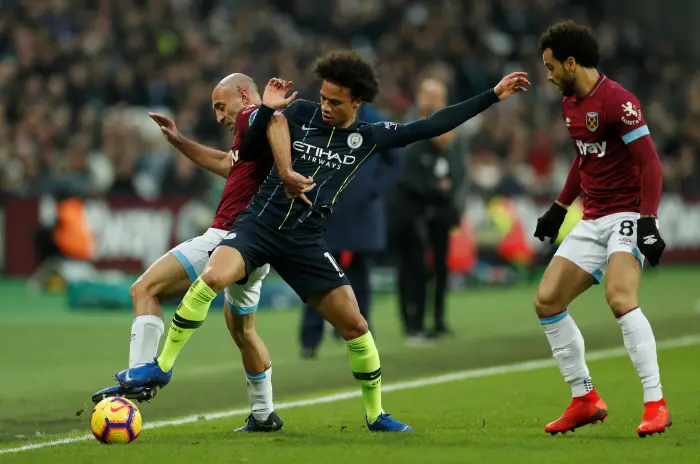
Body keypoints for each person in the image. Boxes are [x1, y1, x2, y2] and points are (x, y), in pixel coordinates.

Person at [115, 51, 529, 433]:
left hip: (304, 240)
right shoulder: (298, 113)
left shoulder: (370, 136)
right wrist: (286, 169)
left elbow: (432, 125)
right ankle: (163, 366)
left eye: (335, 101)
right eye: (324, 97)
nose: (325, 106)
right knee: (213, 276)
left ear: (357, 102)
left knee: (356, 325)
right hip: (260, 223)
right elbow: (271, 124)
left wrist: (492, 96)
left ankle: (375, 414)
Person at [92, 74, 284, 432]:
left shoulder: (255, 118)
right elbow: (228, 165)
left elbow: (258, 134)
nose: (218, 117)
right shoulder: (257, 133)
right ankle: (264, 414)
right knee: (243, 331)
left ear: (243, 96)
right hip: (259, 247)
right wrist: (179, 141)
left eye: (220, 106)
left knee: (144, 288)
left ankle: (140, 376)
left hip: (228, 238)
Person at [533, 20, 669, 438]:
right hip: (593, 218)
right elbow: (583, 158)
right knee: (547, 301)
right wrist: (558, 207)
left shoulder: (619, 102)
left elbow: (649, 162)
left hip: (627, 214)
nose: (549, 75)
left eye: (552, 66)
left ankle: (655, 402)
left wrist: (648, 219)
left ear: (572, 63)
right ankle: (585, 399)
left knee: (619, 297)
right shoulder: (570, 104)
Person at [299, 102, 404, 359]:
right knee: (318, 276)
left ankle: (361, 336)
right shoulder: (322, 119)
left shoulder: (376, 122)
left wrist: (373, 188)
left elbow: (397, 161)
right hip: (326, 212)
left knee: (360, 280)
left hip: (362, 214)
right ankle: (310, 340)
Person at [390, 77, 465, 343]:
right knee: (413, 268)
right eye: (430, 95)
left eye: (439, 96)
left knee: (439, 267)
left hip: (441, 211)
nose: (434, 101)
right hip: (413, 211)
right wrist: (439, 188)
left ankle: (437, 319)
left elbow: (459, 171)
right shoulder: (411, 128)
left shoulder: (452, 131)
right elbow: (407, 175)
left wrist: (454, 200)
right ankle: (412, 321)